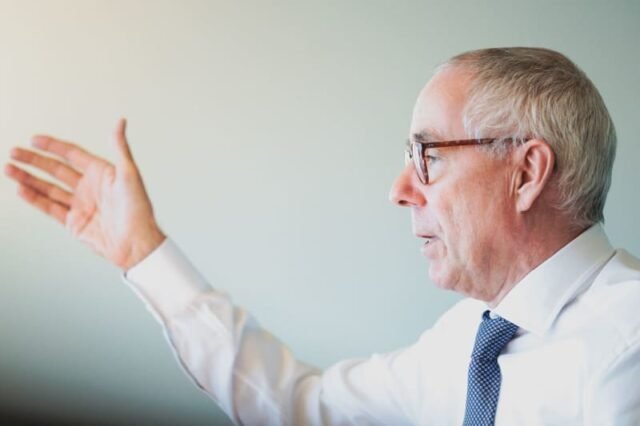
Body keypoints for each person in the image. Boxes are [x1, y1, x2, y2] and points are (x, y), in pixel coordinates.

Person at [5, 47, 640, 425]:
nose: (400, 188)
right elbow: (301, 406)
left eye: (429, 156)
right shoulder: (467, 339)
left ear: (525, 173)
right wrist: (142, 253)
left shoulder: (629, 346)